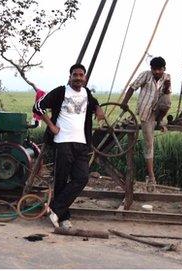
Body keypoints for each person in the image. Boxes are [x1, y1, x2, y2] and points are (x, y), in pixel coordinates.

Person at [33, 64, 104, 229]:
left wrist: (98, 108)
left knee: (82, 178)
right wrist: (51, 126)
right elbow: (38, 107)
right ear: (70, 76)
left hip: (82, 143)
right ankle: (63, 218)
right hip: (63, 142)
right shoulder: (60, 92)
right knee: (61, 180)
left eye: (81, 75)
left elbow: (95, 103)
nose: (78, 78)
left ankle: (55, 210)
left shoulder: (87, 93)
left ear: (84, 78)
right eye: (75, 75)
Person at [121, 56, 171, 192]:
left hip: (158, 111)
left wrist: (166, 89)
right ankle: (151, 176)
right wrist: (125, 102)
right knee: (149, 144)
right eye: (154, 70)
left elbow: (166, 96)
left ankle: (159, 121)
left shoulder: (167, 77)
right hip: (146, 112)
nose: (156, 72)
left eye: (159, 70)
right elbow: (132, 88)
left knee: (167, 101)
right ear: (151, 69)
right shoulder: (145, 75)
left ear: (163, 69)